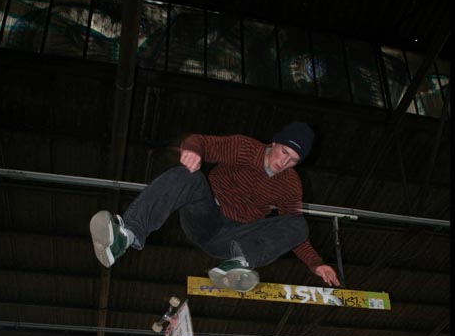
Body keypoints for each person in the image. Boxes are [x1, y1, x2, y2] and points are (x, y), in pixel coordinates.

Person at [90, 121, 340, 291]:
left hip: (235, 237)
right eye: (284, 152)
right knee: (189, 175)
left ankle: (236, 265)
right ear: (274, 143)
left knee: (299, 224)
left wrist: (315, 263)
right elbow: (202, 141)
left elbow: (294, 232)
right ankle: (125, 236)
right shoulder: (244, 148)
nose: (284, 162)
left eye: (293, 160)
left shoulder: (290, 184)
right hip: (206, 217)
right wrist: (194, 151)